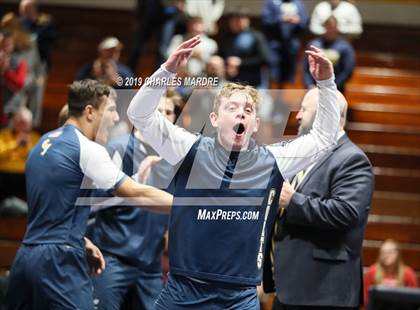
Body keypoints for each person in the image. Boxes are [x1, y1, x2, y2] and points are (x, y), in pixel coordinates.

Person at [127, 36, 341, 309]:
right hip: (183, 292)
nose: (241, 114)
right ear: (214, 120)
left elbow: (324, 137)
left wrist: (326, 83)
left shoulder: (273, 160)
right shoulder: (189, 149)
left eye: (248, 110)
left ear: (255, 124)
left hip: (238, 298)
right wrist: (166, 71)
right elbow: (140, 115)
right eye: (232, 108)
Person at [5, 79, 172, 309]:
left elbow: (51, 213)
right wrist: (188, 204)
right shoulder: (87, 148)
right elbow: (135, 193)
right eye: (111, 110)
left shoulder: (42, 143)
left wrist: (82, 241)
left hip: (26, 257)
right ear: (90, 112)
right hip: (59, 260)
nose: (115, 119)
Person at [264, 87, 374, 309]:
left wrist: (293, 201)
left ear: (328, 113)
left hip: (323, 293)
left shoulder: (352, 159)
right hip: (289, 288)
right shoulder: (303, 153)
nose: (298, 115)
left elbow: (346, 213)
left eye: (304, 109)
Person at [88, 91, 182, 310]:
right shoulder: (118, 148)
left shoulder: (174, 159)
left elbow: (171, 204)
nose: (164, 116)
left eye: (169, 112)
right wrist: (134, 183)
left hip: (151, 265)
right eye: (158, 111)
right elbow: (95, 204)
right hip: (113, 259)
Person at [303, 15, 355, 93]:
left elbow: (347, 70)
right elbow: (305, 68)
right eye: (328, 27)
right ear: (324, 27)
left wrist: (333, 86)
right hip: (314, 88)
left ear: (337, 28)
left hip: (336, 89)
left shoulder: (345, 47)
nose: (330, 30)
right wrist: (309, 85)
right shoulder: (314, 44)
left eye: (333, 27)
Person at [261, 0, 308, 85]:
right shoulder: (271, 2)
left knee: (290, 76)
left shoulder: (298, 4)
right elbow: (265, 21)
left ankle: (284, 98)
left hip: (292, 46)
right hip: (274, 45)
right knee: (273, 74)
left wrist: (298, 21)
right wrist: (281, 19)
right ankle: (272, 97)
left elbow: (304, 23)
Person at [364, 239, 418, 306]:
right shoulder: (372, 272)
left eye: (390, 252)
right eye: (383, 252)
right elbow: (366, 298)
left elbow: (414, 300)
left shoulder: (408, 273)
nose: (386, 255)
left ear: (397, 253)